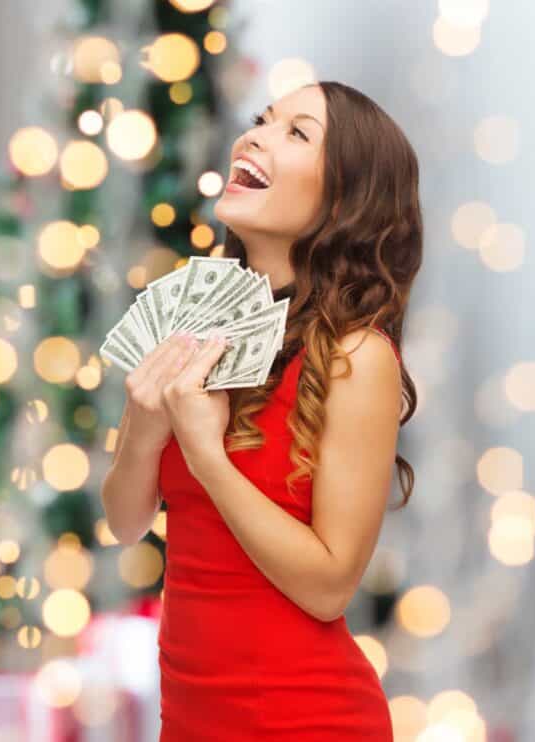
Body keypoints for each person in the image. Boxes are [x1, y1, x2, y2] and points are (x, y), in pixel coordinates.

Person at [101, 80, 422, 741]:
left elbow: (330, 586)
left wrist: (207, 458)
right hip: (190, 722)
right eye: (262, 121)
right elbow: (126, 520)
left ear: (344, 198)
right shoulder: (196, 324)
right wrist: (143, 426)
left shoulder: (357, 356)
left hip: (305, 721)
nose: (255, 136)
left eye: (296, 133)